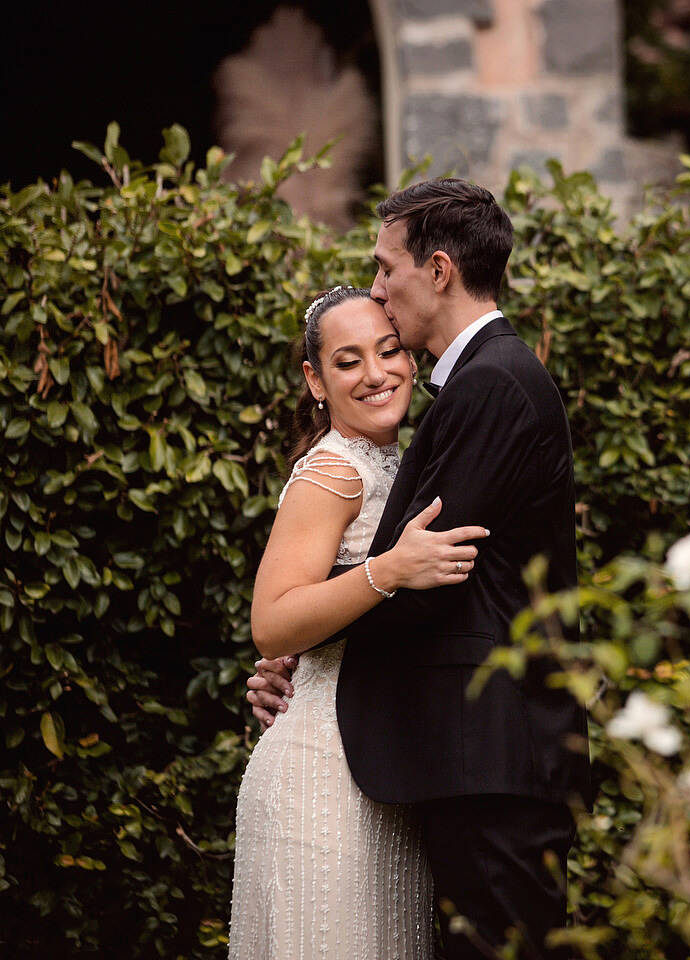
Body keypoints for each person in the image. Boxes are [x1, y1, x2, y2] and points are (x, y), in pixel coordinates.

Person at [246, 178, 592, 959]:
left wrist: (307, 649)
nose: (377, 287)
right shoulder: (475, 386)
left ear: (437, 270)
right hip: (454, 757)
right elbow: (405, 571)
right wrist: (300, 648)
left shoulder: (491, 384)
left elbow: (433, 578)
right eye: (347, 360)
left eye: (385, 266)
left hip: (490, 755)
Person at [228, 284, 490, 959]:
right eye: (348, 362)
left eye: (389, 350)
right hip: (323, 777)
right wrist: (389, 570)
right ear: (315, 380)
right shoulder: (333, 473)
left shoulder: (400, 465)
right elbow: (272, 622)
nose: (376, 374)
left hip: (383, 773)